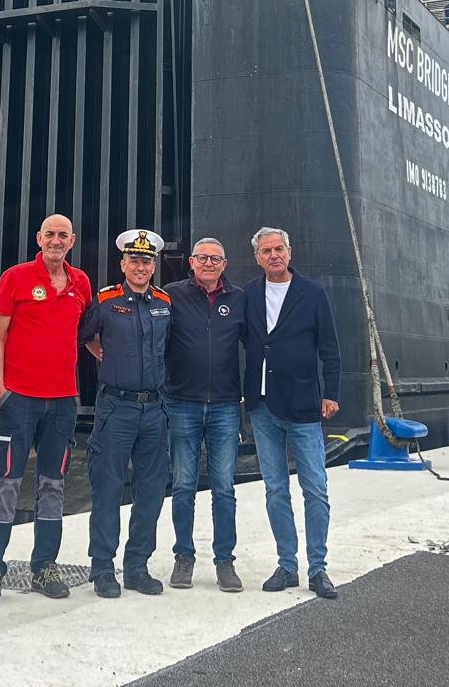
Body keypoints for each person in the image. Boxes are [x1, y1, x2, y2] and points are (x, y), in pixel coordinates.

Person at [0, 213, 92, 603]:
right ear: (38, 238)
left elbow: (86, 335)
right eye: (50, 234)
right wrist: (1, 393)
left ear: (72, 241)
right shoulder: (16, 277)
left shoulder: (81, 283)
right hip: (19, 400)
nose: (56, 240)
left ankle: (44, 567)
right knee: (6, 483)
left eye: (63, 235)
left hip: (62, 401)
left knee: (53, 485)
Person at [242, 226, 341, 600]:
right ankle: (287, 565)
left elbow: (330, 348)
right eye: (266, 251)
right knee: (275, 489)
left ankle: (318, 568)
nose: (274, 255)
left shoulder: (312, 295)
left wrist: (330, 394)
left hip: (302, 405)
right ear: (257, 258)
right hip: (262, 405)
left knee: (315, 487)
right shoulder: (248, 295)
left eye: (279, 248)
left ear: (289, 251)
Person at [79, 229, 172, 598]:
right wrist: (103, 355)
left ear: (153, 266)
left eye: (146, 261)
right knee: (108, 487)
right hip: (116, 408)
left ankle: (137, 566)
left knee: (151, 489)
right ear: (122, 264)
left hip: (154, 409)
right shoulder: (105, 301)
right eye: (134, 260)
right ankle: (103, 567)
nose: (140, 266)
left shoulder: (164, 303)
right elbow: (84, 335)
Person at [161, 236, 247, 591]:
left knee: (224, 487)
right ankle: (184, 557)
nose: (209, 263)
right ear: (191, 262)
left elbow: (259, 345)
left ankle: (225, 561)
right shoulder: (172, 295)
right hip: (182, 402)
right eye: (202, 258)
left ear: (224, 264)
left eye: (215, 258)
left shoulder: (239, 298)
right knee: (183, 485)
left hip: (225, 405)